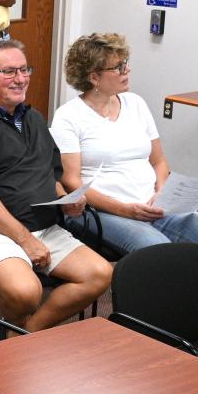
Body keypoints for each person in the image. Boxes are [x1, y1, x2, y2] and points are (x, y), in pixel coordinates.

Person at [0, 40, 111, 334]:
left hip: (38, 223)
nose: (20, 79)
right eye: (8, 72)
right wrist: (25, 240)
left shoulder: (32, 118)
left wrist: (66, 199)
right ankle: (15, 332)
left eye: (23, 70)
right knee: (26, 291)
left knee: (98, 274)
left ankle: (15, 331)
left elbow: (49, 174)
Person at [51, 33, 198, 254]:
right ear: (94, 77)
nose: (126, 70)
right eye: (118, 67)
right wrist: (126, 210)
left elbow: (158, 162)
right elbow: (72, 182)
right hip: (102, 212)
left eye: (125, 63)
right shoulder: (68, 116)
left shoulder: (136, 103)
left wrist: (161, 193)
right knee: (159, 250)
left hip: (152, 205)